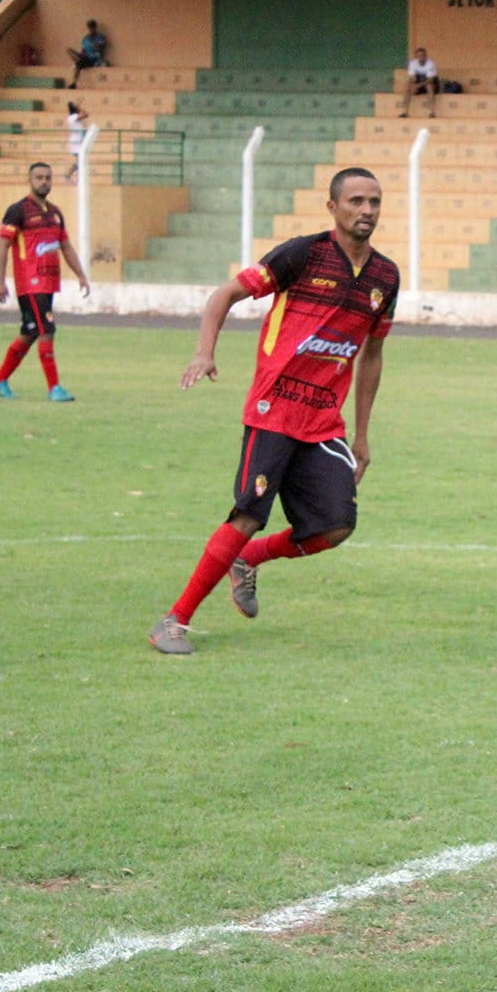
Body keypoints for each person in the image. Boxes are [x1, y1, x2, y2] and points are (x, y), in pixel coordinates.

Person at [148, 168, 399, 656]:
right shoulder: (302, 254)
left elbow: (373, 353)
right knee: (248, 514)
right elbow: (226, 294)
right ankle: (173, 621)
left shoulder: (385, 276)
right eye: (356, 201)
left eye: (373, 202)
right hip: (273, 410)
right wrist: (204, 351)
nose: (366, 210)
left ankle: (250, 560)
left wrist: (362, 436)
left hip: (324, 421)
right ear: (333, 207)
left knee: (336, 526)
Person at [0, 162, 89, 402]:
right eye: (39, 177)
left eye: (48, 178)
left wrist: (81, 275)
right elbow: (3, 245)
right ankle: (54, 388)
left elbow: (65, 246)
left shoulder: (55, 213)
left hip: (49, 282)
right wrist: (0, 281)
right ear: (30, 180)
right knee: (47, 330)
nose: (44, 182)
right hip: (30, 283)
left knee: (30, 332)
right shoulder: (18, 211)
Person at [66, 20, 107, 89]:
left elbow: (99, 49)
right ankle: (74, 83)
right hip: (85, 57)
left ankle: (77, 62)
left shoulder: (100, 37)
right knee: (69, 50)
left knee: (78, 63)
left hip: (94, 58)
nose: (91, 29)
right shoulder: (85, 38)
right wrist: (79, 55)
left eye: (92, 27)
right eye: (89, 27)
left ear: (95, 27)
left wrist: (91, 40)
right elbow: (83, 51)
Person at [401, 47, 439, 118]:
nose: (421, 57)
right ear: (416, 57)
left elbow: (430, 80)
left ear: (425, 56)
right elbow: (412, 78)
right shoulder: (413, 64)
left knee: (429, 87)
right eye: (419, 56)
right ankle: (405, 112)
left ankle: (432, 112)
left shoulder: (430, 64)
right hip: (419, 84)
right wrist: (412, 85)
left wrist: (417, 86)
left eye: (423, 55)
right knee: (407, 86)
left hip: (429, 84)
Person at [63, 102, 88, 180]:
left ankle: (69, 174)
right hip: (75, 142)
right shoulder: (72, 117)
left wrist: (79, 109)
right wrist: (80, 109)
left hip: (79, 141)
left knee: (80, 160)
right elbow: (86, 114)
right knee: (80, 160)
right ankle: (69, 174)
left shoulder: (74, 116)